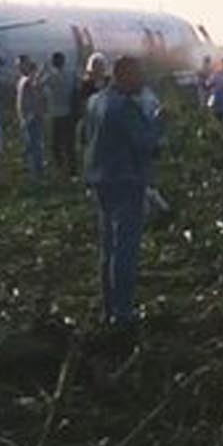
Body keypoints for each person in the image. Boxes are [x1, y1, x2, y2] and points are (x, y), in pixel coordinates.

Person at [83, 56, 162, 328]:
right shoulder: (125, 107)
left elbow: (86, 136)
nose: (142, 80)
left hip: (100, 179)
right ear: (124, 76)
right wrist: (160, 123)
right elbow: (147, 143)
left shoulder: (95, 101)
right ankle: (123, 312)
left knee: (108, 247)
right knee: (125, 248)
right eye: (138, 75)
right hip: (126, 180)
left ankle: (109, 308)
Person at [15, 55, 47, 179]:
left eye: (20, 64)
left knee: (34, 144)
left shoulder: (27, 80)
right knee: (32, 144)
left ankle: (36, 172)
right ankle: (35, 171)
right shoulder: (24, 80)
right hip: (28, 117)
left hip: (30, 117)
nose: (18, 67)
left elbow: (35, 87)